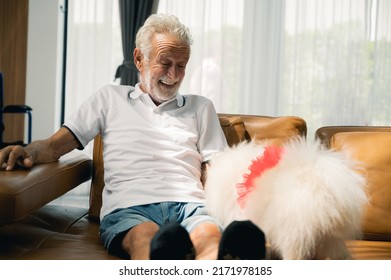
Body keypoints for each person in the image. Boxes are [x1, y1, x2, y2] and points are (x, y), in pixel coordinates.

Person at [0, 14, 265, 260]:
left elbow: (217, 169)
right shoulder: (109, 98)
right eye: (165, 63)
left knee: (209, 236)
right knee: (146, 238)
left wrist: (241, 204)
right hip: (131, 207)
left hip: (190, 205)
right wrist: (29, 152)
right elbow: (55, 146)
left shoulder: (200, 107)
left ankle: (226, 258)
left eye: (181, 66)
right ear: (139, 59)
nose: (173, 76)